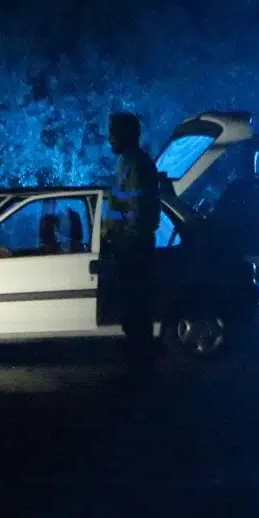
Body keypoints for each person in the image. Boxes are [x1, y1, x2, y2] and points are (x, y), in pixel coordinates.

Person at [100, 112, 162, 377]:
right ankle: (140, 365)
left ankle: (141, 369)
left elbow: (136, 213)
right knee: (133, 310)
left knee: (136, 311)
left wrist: (123, 243)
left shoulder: (135, 165)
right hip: (130, 246)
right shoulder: (129, 162)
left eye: (113, 133)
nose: (110, 138)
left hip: (133, 249)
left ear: (124, 135)